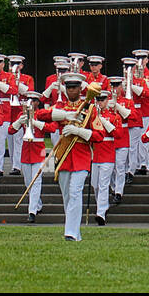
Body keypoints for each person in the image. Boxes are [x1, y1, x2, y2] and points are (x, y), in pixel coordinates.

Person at [50, 73, 104, 241]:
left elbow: (99, 135)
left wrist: (79, 131)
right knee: (67, 195)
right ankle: (75, 231)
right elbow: (46, 120)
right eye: (68, 87)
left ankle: (70, 233)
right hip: (63, 156)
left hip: (81, 156)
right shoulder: (60, 107)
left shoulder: (89, 108)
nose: (71, 90)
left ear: (81, 89)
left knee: (75, 193)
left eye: (74, 87)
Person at [9, 89, 52, 222]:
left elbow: (53, 128)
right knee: (28, 182)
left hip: (39, 150)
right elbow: (11, 131)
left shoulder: (42, 114)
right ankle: (37, 204)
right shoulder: (22, 114)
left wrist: (36, 122)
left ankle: (31, 212)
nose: (30, 102)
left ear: (37, 103)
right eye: (28, 100)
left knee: (36, 181)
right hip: (26, 150)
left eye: (33, 100)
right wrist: (18, 122)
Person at [89, 90, 121, 225]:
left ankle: (100, 213)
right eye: (98, 100)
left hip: (107, 153)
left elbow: (119, 133)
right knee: (95, 185)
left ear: (107, 101)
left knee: (103, 185)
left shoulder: (114, 116)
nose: (100, 103)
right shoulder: (91, 116)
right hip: (95, 153)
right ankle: (103, 206)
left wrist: (105, 122)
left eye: (102, 100)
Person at [106, 75, 134, 205]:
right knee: (110, 167)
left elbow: (131, 115)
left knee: (120, 166)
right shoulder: (104, 100)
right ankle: (112, 187)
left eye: (117, 86)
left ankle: (118, 192)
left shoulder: (127, 101)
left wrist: (117, 105)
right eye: (112, 86)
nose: (115, 89)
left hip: (122, 136)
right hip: (109, 137)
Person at [5, 56, 33, 175]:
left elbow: (30, 93)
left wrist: (16, 84)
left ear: (21, 65)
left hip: (21, 109)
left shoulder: (27, 78)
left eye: (17, 64)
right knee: (10, 140)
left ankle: (17, 166)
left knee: (18, 139)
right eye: (12, 64)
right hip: (8, 110)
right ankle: (14, 164)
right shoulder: (5, 77)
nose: (14, 66)